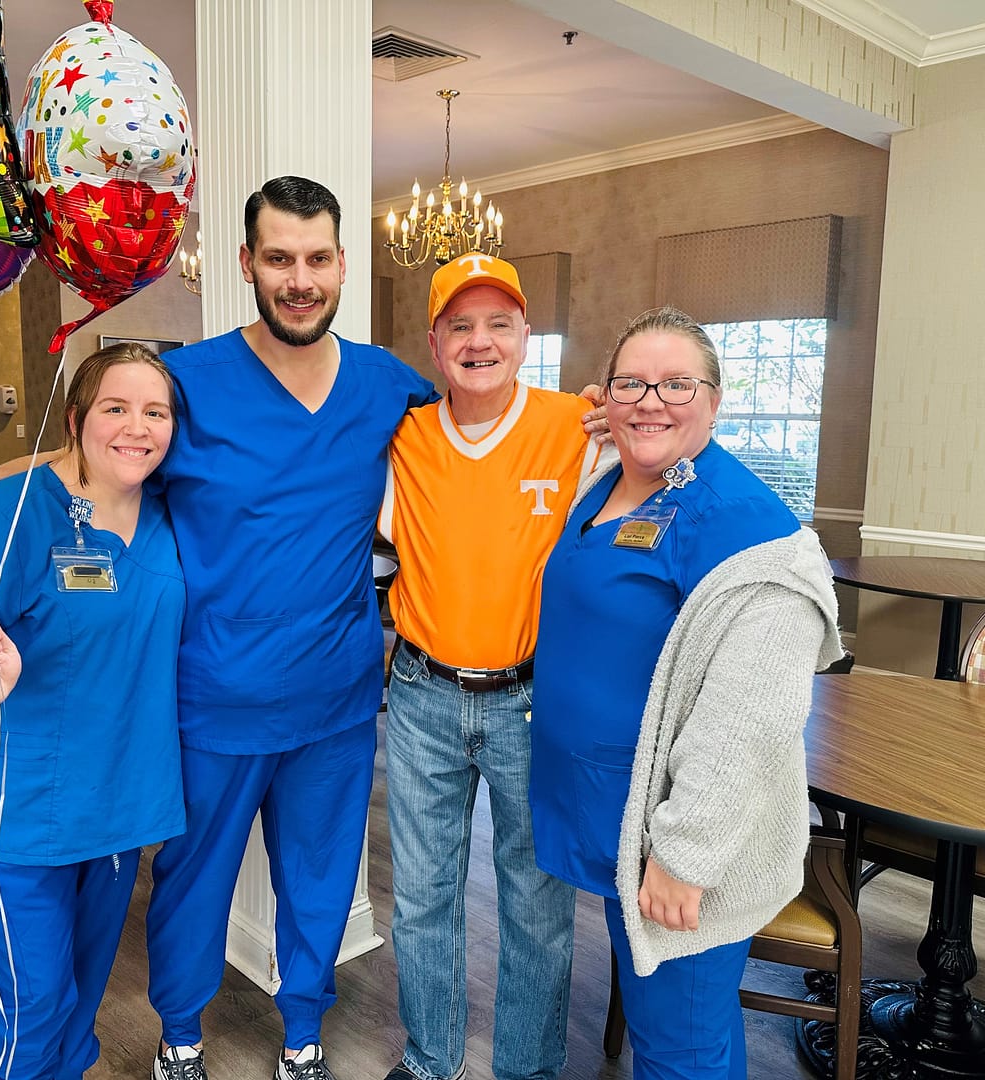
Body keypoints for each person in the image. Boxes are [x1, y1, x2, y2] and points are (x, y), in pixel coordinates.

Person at [0, 176, 437, 1080]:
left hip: (337, 698)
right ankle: (181, 1038)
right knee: (193, 886)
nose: (300, 278)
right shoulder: (187, 383)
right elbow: (97, 442)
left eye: (317, 259)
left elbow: (481, 436)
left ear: (343, 266)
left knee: (319, 883)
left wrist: (595, 414)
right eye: (279, 259)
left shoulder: (389, 386)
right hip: (210, 697)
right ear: (247, 266)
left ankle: (305, 1036)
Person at [529, 306, 844, 1080]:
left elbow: (751, 717)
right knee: (662, 1023)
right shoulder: (613, 484)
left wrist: (684, 854)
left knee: (682, 1045)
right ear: (605, 396)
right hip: (614, 819)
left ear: (715, 399)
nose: (651, 401)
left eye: (677, 384)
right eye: (632, 382)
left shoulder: (747, 532)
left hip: (675, 839)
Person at [0, 342, 186, 1080]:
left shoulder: (170, 510)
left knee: (76, 1010)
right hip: (18, 816)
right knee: (29, 1015)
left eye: (155, 411)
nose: (138, 427)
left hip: (118, 813)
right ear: (76, 421)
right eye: (116, 408)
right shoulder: (8, 515)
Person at [376, 254, 605, 1080]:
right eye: (461, 326)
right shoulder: (402, 439)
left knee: (538, 907)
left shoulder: (578, 430)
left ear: (524, 337)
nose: (480, 341)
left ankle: (529, 1069)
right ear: (435, 344)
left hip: (532, 705)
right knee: (425, 900)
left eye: (498, 324)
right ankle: (431, 1059)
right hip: (422, 696)